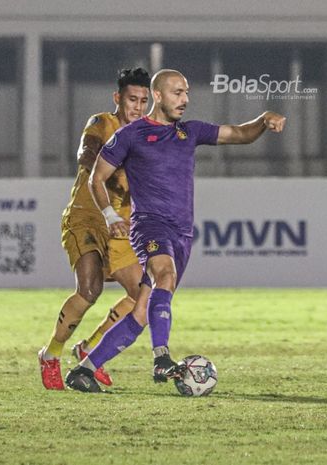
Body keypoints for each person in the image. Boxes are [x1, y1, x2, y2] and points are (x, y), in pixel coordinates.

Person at [65, 69, 286, 392]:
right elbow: (95, 177)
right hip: (149, 226)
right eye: (177, 93)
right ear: (158, 95)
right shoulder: (131, 135)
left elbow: (240, 134)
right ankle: (161, 357)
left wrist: (264, 119)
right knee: (164, 276)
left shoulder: (191, 132)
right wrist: (111, 215)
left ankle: (84, 370)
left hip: (182, 233)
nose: (185, 99)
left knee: (141, 312)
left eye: (186, 93)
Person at [38, 68, 150, 390]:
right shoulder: (102, 123)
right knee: (90, 289)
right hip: (86, 217)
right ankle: (51, 354)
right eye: (132, 99)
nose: (138, 107)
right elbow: (87, 159)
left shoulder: (148, 136)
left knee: (142, 294)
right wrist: (117, 180)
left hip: (120, 228)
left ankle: (90, 348)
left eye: (143, 101)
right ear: (118, 99)